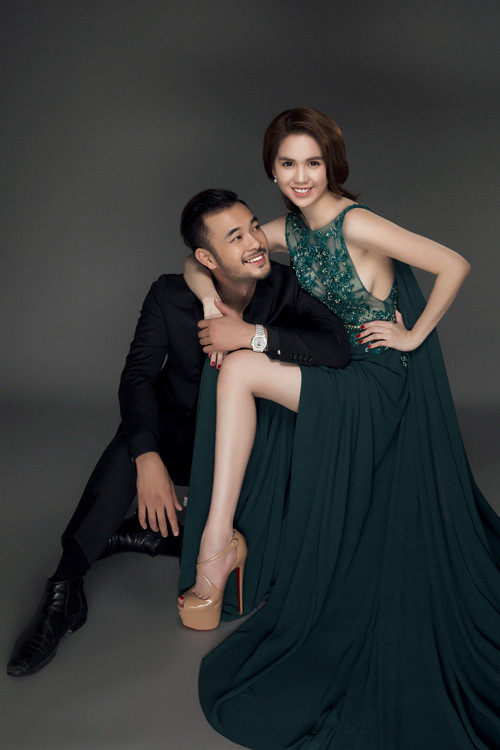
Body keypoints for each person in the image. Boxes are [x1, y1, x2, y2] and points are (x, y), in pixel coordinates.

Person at [181, 108, 500, 749]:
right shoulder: (286, 231)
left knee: (239, 367)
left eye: (313, 163)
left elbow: (454, 263)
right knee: (237, 366)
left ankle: (217, 545)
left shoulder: (355, 222)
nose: (301, 177)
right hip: (338, 369)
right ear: (272, 170)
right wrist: (211, 299)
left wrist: (411, 335)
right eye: (288, 164)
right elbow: (200, 260)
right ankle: (219, 541)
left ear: (332, 166)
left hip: (376, 382)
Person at [6, 187, 350, 678]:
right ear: (206, 258)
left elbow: (337, 347)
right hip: (182, 438)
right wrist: (148, 458)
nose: (256, 242)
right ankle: (65, 589)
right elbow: (138, 377)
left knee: (274, 539)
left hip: (245, 447)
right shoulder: (169, 294)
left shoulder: (284, 287)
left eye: (254, 226)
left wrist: (255, 337)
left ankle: (147, 536)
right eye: (236, 237)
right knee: (131, 446)